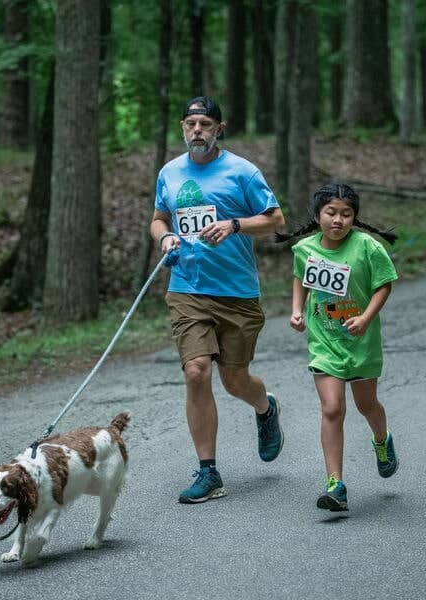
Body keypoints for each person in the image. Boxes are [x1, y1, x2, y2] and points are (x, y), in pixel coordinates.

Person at [151, 96, 286, 504]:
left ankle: (265, 408)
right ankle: (208, 471)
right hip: (187, 288)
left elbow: (276, 219)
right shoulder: (170, 173)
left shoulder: (243, 172)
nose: (197, 131)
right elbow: (159, 218)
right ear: (182, 127)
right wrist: (166, 236)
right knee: (196, 371)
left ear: (218, 129)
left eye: (205, 124)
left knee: (234, 380)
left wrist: (234, 225)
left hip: (237, 292)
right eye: (191, 124)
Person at [278, 182, 399, 512]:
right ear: (318, 216)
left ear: (354, 219)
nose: (338, 220)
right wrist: (296, 310)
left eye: (346, 214)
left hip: (361, 341)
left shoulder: (367, 248)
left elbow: (384, 284)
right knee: (332, 408)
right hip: (324, 341)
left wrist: (365, 318)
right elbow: (300, 277)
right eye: (331, 212)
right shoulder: (305, 249)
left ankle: (381, 440)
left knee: (366, 404)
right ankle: (335, 483)